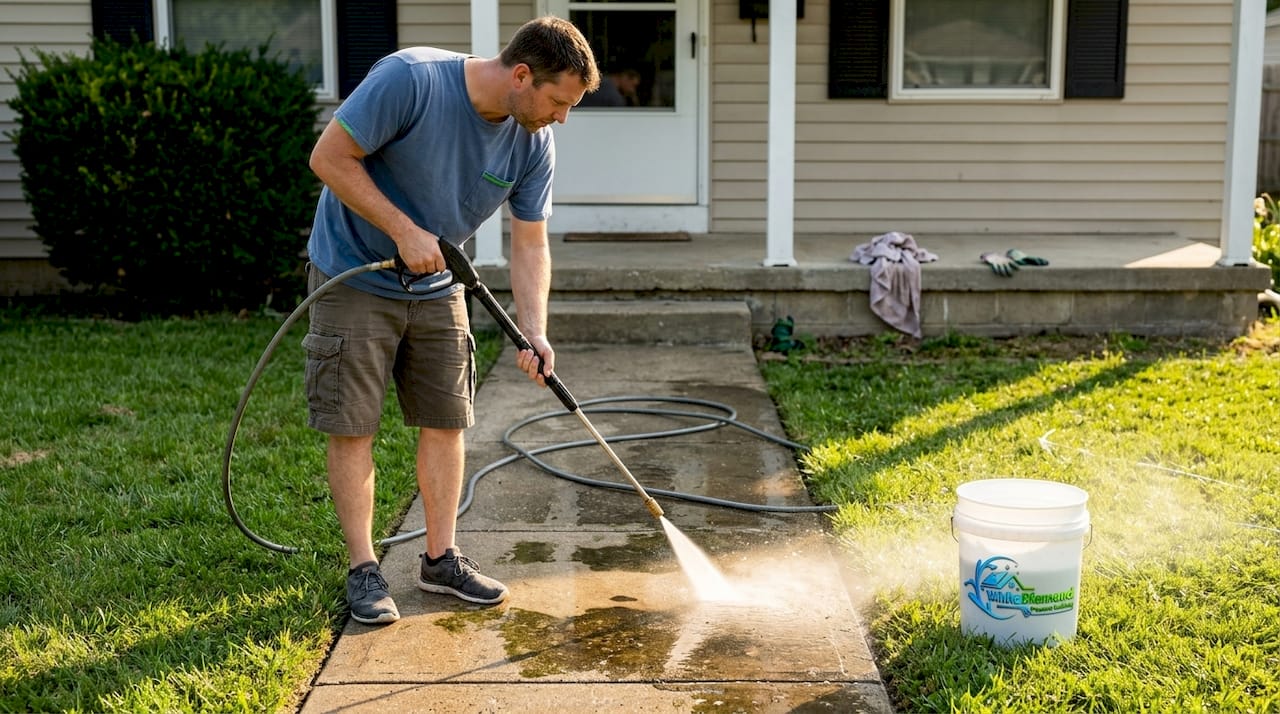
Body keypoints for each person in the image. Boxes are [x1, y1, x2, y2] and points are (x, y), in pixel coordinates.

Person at [303, 16, 600, 625]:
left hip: (439, 283)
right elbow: (329, 157)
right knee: (354, 424)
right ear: (521, 75)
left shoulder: (532, 140)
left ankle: (440, 558)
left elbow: (530, 243)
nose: (562, 118)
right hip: (355, 271)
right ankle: (364, 568)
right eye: (558, 102)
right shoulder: (411, 81)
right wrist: (404, 229)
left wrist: (535, 328)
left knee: (446, 418)